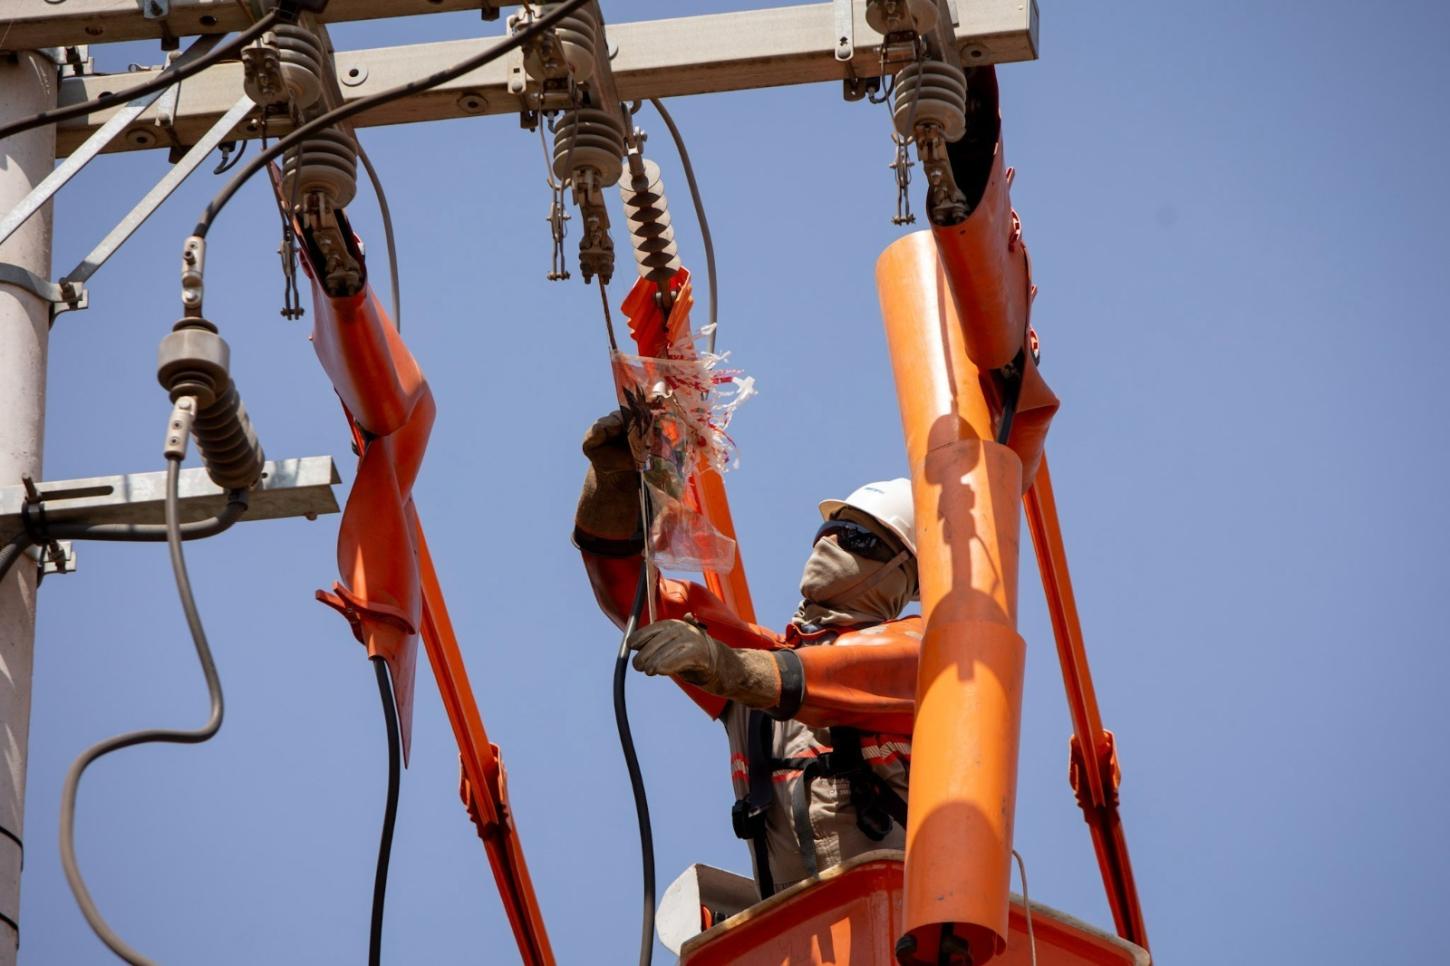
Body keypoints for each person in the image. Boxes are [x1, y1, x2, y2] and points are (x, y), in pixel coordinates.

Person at [575, 410, 925, 895]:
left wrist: (720, 663)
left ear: (902, 576)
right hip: (792, 938)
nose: (829, 545)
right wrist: (613, 483)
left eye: (857, 540)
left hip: (897, 930)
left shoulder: (925, 655)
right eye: (825, 533)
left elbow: (824, 673)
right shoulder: (760, 666)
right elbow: (633, 596)